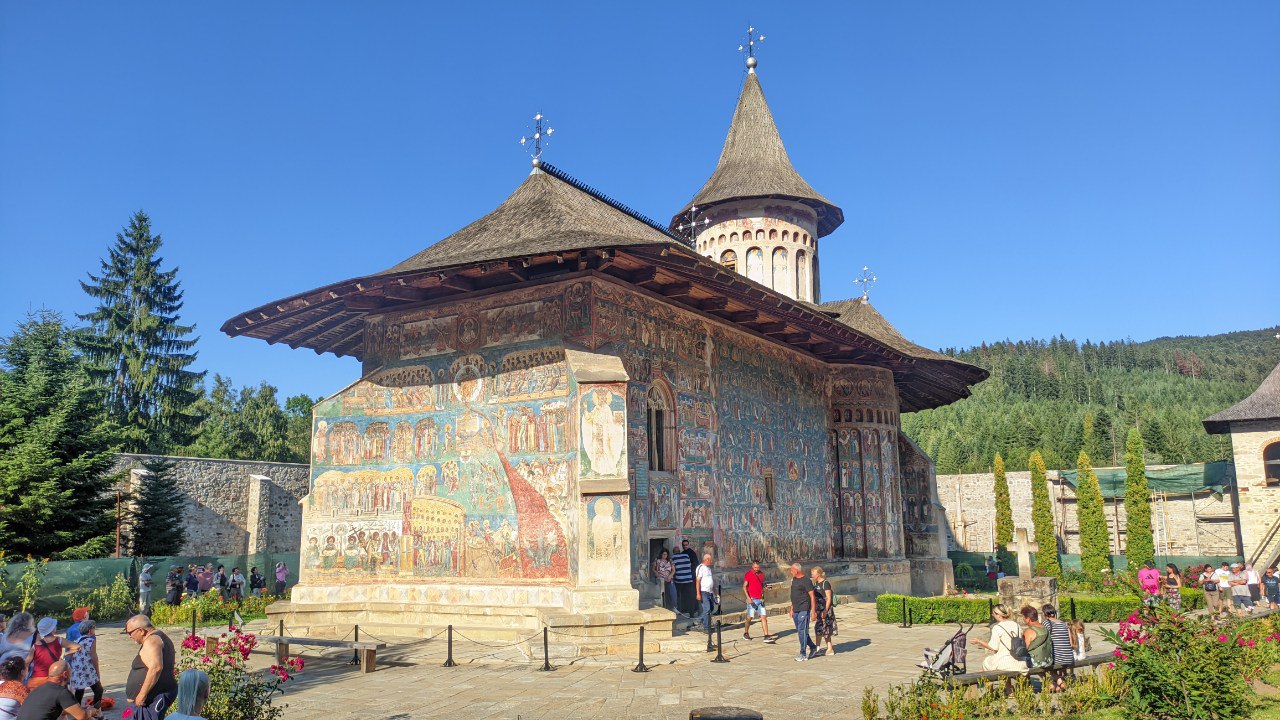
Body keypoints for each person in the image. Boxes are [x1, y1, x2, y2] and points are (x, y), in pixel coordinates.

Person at [123, 615, 178, 720]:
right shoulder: (158, 637)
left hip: (151, 700)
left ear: (141, 631)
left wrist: (142, 695)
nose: (129, 636)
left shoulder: (152, 641)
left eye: (130, 633)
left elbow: (156, 668)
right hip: (145, 701)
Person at [16, 660, 98, 720]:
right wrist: (92, 711)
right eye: (71, 671)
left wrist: (79, 708)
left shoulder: (38, 689)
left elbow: (47, 709)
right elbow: (82, 716)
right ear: (65, 674)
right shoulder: (62, 692)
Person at [970, 604, 1027, 673]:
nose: (992, 615)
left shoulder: (997, 628)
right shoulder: (1017, 625)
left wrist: (979, 641)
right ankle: (1007, 684)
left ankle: (987, 683)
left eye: (993, 614)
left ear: (999, 615)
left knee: (986, 662)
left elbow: (993, 647)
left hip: (1005, 661)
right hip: (1020, 661)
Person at [27, 619, 79, 691]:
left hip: (36, 681)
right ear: (51, 629)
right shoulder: (59, 640)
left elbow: (27, 661)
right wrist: (65, 654)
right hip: (53, 679)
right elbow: (78, 647)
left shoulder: (35, 645)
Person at [67, 621, 101, 709]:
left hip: (77, 670)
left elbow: (70, 656)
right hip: (88, 669)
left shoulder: (75, 641)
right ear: (90, 631)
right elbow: (94, 658)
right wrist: (97, 671)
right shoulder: (91, 641)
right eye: (94, 628)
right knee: (98, 690)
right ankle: (96, 710)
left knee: (79, 691)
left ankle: (77, 712)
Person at [787, 563, 817, 662]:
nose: (791, 572)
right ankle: (813, 647)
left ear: (797, 570)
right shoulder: (794, 580)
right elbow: (794, 595)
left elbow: (812, 596)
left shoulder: (806, 581)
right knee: (801, 632)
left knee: (802, 631)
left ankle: (803, 654)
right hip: (796, 609)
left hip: (804, 608)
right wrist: (791, 608)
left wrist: (813, 611)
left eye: (792, 570)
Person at [1041, 605, 1074, 692]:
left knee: (1041, 664)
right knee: (1053, 662)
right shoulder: (1063, 623)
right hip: (1069, 656)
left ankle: (1059, 681)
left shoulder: (1046, 623)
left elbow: (1042, 638)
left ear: (1044, 614)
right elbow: (1070, 643)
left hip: (1059, 657)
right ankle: (1055, 685)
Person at [742, 561, 775, 643]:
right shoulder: (748, 574)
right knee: (750, 617)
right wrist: (748, 598)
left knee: (764, 617)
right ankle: (746, 632)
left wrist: (765, 588)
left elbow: (761, 585)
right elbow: (744, 587)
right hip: (752, 599)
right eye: (755, 568)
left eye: (758, 567)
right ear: (752, 567)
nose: (756, 569)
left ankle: (766, 635)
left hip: (760, 599)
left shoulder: (761, 574)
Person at [811, 566, 837, 656]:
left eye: (813, 574)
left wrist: (825, 610)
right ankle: (817, 648)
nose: (812, 575)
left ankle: (830, 649)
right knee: (818, 628)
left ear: (818, 574)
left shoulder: (825, 583)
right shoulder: (815, 584)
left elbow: (829, 598)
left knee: (826, 629)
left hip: (825, 609)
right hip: (818, 609)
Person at [671, 541, 695, 617]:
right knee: (689, 596)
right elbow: (690, 565)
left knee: (679, 595)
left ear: (674, 552)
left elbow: (673, 569)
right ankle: (691, 612)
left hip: (680, 580)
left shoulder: (673, 558)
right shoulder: (686, 556)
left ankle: (680, 611)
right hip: (689, 579)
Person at [695, 554, 715, 635]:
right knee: (707, 609)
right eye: (710, 559)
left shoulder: (709, 569)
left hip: (710, 592)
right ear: (706, 559)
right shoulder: (700, 568)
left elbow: (711, 580)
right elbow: (698, 581)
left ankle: (699, 620)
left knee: (711, 608)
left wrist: (715, 592)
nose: (711, 561)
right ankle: (706, 627)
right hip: (703, 592)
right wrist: (698, 593)